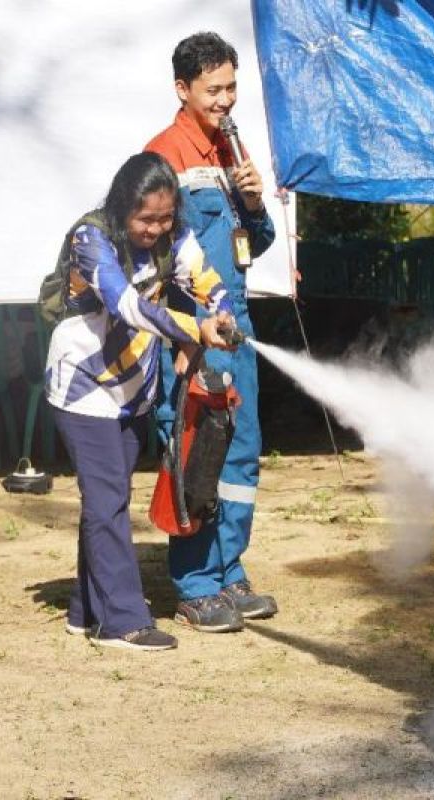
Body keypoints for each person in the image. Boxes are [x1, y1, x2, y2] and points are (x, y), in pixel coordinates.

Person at [45, 152, 237, 651]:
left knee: (109, 500)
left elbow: (206, 278)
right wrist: (194, 330)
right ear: (121, 207)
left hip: (133, 391)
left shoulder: (176, 237)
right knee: (107, 499)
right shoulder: (91, 239)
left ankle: (85, 611)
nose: (155, 228)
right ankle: (123, 622)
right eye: (145, 218)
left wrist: (223, 315)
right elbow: (126, 305)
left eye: (165, 217)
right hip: (82, 386)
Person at [145, 31, 277, 633]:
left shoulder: (232, 153)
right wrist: (183, 339)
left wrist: (253, 205)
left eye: (232, 88)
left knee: (241, 453)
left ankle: (229, 570)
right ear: (183, 89)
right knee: (198, 454)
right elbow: (147, 259)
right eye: (214, 89)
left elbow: (260, 244)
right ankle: (195, 583)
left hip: (239, 332)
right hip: (195, 339)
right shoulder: (163, 158)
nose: (226, 100)